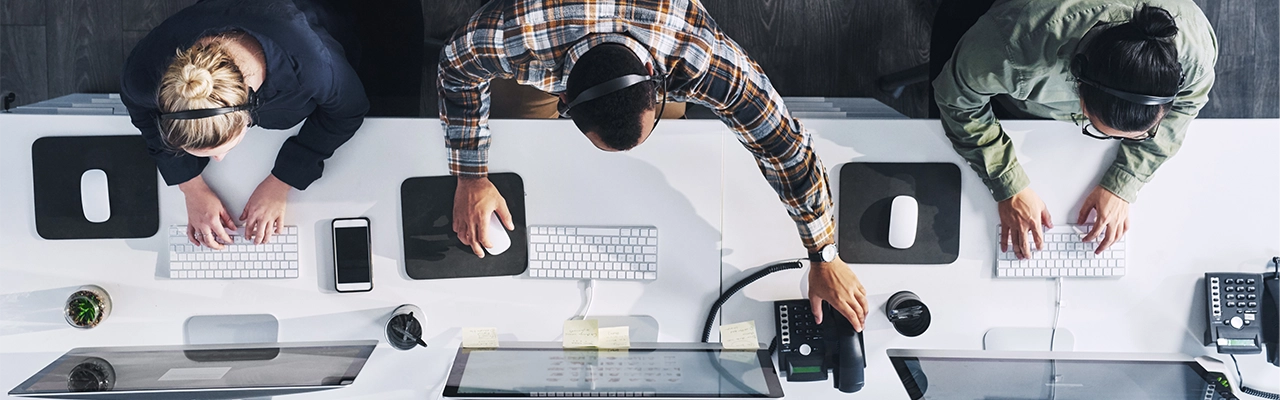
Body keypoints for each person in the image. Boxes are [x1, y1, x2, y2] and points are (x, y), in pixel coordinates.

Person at [437, 0, 868, 329]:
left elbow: (785, 147)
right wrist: (472, 175)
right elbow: (456, 67)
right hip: (554, 35)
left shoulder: (696, 52)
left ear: (655, 77)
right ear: (562, 100)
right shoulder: (517, 33)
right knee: (524, 142)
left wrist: (824, 255)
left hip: (647, 39)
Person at [932, 0, 1217, 259]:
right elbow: (957, 101)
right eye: (1097, 127)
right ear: (1078, 87)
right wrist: (1008, 184)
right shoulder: (1011, 48)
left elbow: (1186, 107)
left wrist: (1125, 180)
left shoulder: (1196, 54)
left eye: (1142, 133)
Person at [121, 0, 369, 248]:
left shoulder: (312, 67)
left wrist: (283, 180)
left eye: (223, 149)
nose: (218, 160)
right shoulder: (144, 74)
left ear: (250, 110)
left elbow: (348, 110)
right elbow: (140, 110)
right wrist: (191, 186)